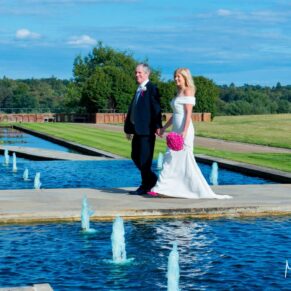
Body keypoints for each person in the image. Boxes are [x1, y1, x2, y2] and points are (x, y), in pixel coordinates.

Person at [148, 68, 232, 199]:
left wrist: (184, 132)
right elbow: (175, 114)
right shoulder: (178, 92)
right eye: (175, 77)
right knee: (169, 159)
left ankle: (190, 189)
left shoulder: (188, 90)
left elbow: (188, 114)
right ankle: (164, 189)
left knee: (184, 160)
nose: (176, 79)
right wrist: (164, 128)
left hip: (184, 130)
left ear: (185, 78)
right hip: (176, 130)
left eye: (179, 77)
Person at [124, 63, 162, 195]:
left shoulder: (152, 88)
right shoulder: (139, 89)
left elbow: (156, 108)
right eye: (136, 72)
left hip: (147, 130)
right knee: (135, 156)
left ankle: (145, 185)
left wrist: (158, 126)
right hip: (137, 130)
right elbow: (133, 110)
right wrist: (128, 129)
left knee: (145, 160)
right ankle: (153, 180)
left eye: (139, 72)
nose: (136, 75)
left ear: (147, 74)